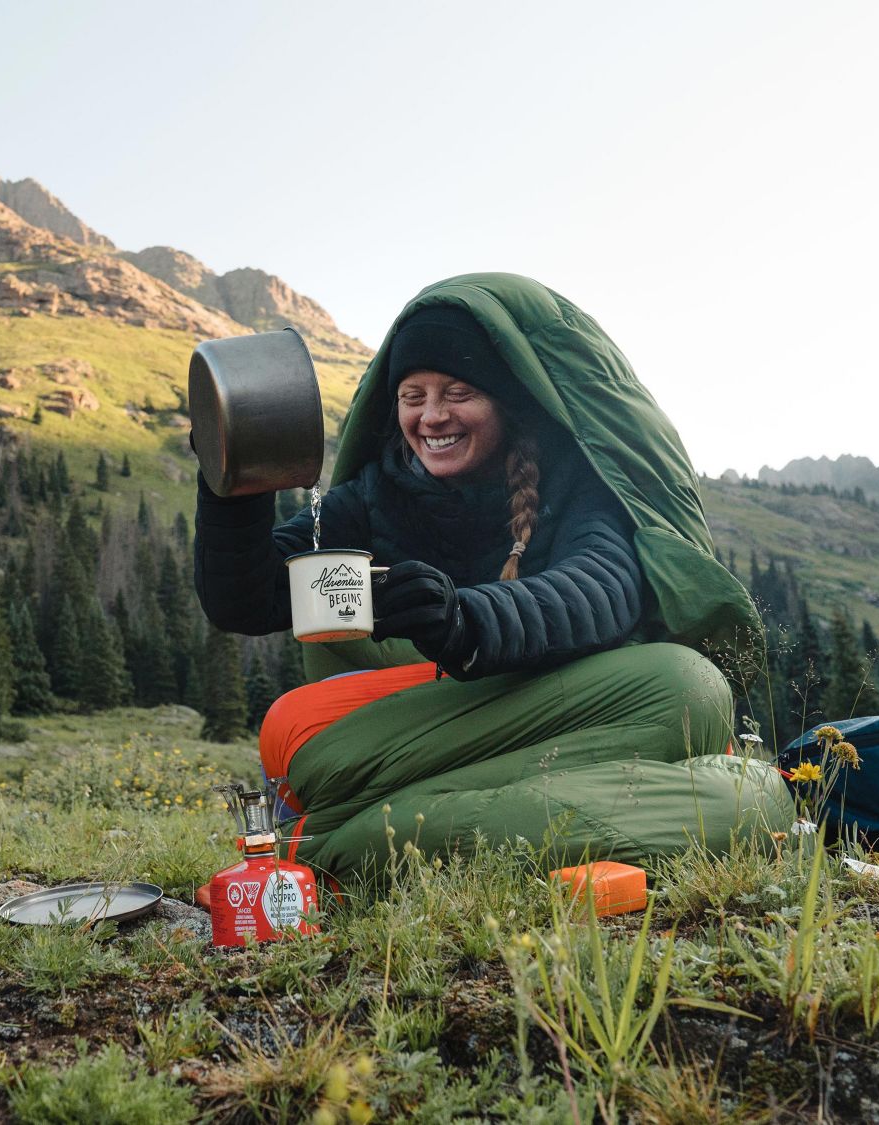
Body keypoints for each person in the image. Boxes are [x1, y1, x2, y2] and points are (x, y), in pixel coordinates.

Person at [194, 273, 790, 886]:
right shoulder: (371, 499)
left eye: (457, 392)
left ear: (506, 400)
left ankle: (356, 842)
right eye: (412, 396)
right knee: (297, 735)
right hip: (393, 736)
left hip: (549, 711)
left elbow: (604, 587)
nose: (431, 417)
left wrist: (464, 621)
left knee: (691, 692)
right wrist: (228, 477)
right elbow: (252, 596)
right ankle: (366, 839)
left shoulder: (575, 483)